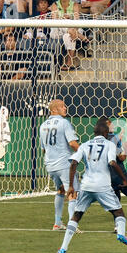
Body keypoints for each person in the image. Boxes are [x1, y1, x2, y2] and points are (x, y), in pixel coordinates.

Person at [57, 122, 127, 253]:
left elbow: (73, 163)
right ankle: (121, 234)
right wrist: (123, 179)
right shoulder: (109, 144)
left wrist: (71, 185)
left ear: (94, 133)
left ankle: (63, 248)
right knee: (118, 213)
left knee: (77, 216)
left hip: (86, 185)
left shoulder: (84, 145)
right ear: (106, 134)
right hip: (103, 186)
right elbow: (112, 162)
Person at [39, 99, 81, 232]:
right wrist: (84, 153)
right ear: (54, 110)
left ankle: (57, 223)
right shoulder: (64, 123)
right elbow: (73, 143)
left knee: (61, 190)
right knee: (72, 193)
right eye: (62, 106)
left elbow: (43, 148)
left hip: (50, 165)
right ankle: (72, 225)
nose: (65, 108)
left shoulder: (43, 125)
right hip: (64, 164)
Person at [50, 0, 88, 71]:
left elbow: (76, 21)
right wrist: (64, 19)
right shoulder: (55, 5)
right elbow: (55, 21)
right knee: (66, 28)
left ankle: (69, 63)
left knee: (67, 36)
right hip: (58, 29)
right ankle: (81, 37)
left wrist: (69, 20)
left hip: (74, 28)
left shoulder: (74, 5)